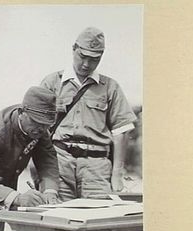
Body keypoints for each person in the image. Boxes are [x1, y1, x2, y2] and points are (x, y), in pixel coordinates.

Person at [40, 27, 137, 201]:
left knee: (99, 220)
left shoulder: (110, 87)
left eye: (94, 59)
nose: (86, 64)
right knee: (57, 219)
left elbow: (122, 131)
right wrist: (42, 171)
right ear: (73, 49)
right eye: (82, 57)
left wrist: (117, 174)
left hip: (97, 168)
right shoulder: (52, 83)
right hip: (59, 163)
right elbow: (38, 128)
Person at [0, 86, 60, 231]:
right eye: (37, 122)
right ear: (22, 113)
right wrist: (18, 198)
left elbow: (47, 160)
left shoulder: (38, 129)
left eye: (47, 125)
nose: (42, 129)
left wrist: (50, 191)